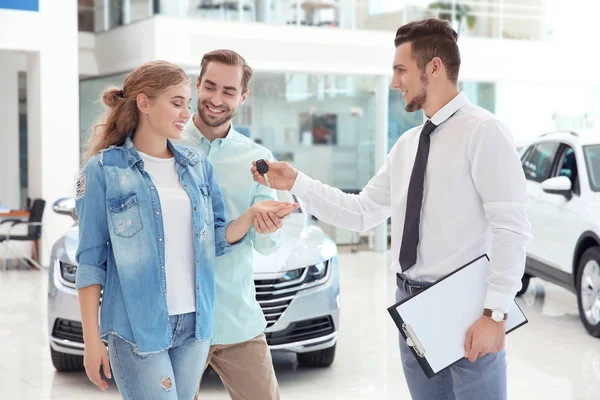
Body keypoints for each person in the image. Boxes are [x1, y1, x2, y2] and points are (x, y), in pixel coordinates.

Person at [251, 19, 532, 400]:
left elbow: (511, 228)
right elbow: (362, 211)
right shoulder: (407, 145)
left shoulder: (484, 132)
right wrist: (296, 182)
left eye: (401, 70)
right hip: (411, 307)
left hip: (467, 310)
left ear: (434, 67)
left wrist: (495, 313)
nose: (395, 81)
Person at [75, 60, 297, 400]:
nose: (184, 112)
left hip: (196, 325)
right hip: (139, 326)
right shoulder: (105, 169)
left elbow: (216, 240)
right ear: (144, 103)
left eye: (185, 104)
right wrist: (92, 340)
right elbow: (91, 261)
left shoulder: (195, 165)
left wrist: (253, 215)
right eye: (177, 102)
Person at [177, 49, 282, 400]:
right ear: (197, 85)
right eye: (210, 87)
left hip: (236, 319)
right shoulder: (165, 146)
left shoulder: (259, 159)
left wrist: (268, 225)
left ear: (243, 97)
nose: (216, 99)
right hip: (177, 324)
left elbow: (267, 245)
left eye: (229, 91)